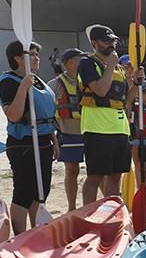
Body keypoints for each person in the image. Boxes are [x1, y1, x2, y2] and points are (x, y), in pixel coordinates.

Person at [2, 40, 58, 234]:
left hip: (43, 141)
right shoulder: (9, 81)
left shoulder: (36, 79)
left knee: (40, 193)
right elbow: (14, 115)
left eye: (37, 54)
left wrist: (54, 139)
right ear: (17, 58)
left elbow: (44, 115)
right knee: (24, 193)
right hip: (22, 144)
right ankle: (20, 238)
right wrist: (23, 87)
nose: (37, 58)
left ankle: (35, 234)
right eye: (31, 54)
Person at [78, 24, 134, 204]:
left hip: (120, 128)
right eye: (106, 41)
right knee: (95, 176)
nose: (111, 44)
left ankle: (110, 212)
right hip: (97, 128)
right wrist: (110, 66)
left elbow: (126, 100)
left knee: (116, 175)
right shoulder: (87, 63)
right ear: (94, 43)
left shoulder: (118, 69)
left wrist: (136, 82)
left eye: (113, 41)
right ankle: (89, 213)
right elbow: (100, 91)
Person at [49, 48, 85, 210]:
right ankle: (72, 206)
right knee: (72, 170)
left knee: (96, 171)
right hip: (67, 132)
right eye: (79, 60)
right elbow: (48, 110)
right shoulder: (55, 84)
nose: (82, 63)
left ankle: (93, 205)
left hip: (88, 130)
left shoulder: (87, 81)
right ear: (68, 62)